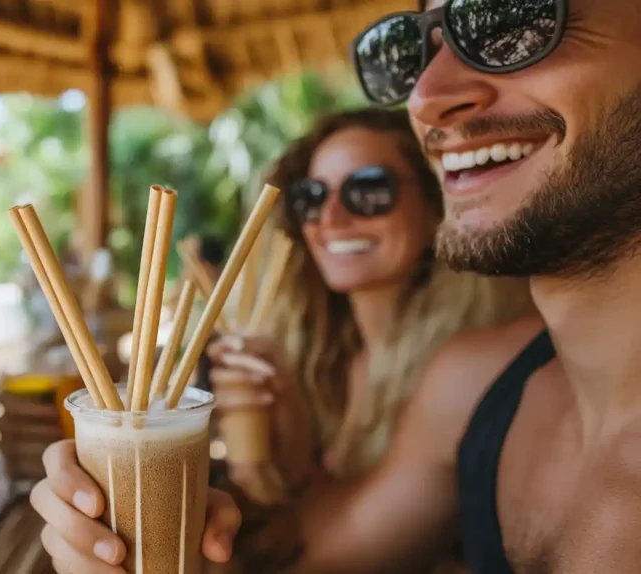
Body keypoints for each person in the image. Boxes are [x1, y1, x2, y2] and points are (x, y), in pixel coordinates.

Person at [29, 0, 641, 571]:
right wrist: (139, 533)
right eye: (414, 51)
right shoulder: (474, 388)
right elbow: (296, 552)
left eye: (511, 19)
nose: (426, 96)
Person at [205, 108, 531, 570]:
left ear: (436, 205)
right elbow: (279, 530)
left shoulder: (475, 367)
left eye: (369, 190)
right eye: (312, 197)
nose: (332, 218)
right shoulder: (319, 362)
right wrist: (260, 459)